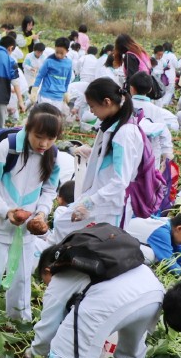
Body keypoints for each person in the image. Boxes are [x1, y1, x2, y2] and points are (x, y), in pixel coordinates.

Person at [0, 104, 63, 321]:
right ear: (28, 128)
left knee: (22, 277)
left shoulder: (52, 155)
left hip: (26, 228)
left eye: (50, 138)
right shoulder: (7, 148)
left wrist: (41, 213)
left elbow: (50, 188)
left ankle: (19, 321)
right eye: (39, 136)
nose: (44, 143)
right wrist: (6, 211)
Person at [31, 241, 165, 358]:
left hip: (115, 300)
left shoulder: (59, 278)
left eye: (44, 281)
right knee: (131, 354)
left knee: (65, 352)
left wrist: (35, 354)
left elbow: (48, 327)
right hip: (153, 293)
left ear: (48, 271)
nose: (46, 286)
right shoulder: (88, 259)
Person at [54, 78, 145, 240]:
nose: (92, 111)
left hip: (113, 205)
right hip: (99, 197)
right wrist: (91, 153)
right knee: (63, 223)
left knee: (106, 246)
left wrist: (89, 204)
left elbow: (120, 181)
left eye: (92, 106)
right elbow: (111, 160)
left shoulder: (125, 134)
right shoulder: (113, 126)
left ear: (107, 102)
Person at [125, 211, 181, 277]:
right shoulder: (161, 232)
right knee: (152, 256)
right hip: (119, 241)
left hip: (126, 238)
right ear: (180, 228)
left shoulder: (170, 225)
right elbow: (169, 263)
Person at [32, 37, 73, 109]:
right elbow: (40, 76)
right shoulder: (49, 61)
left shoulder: (69, 63)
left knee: (54, 118)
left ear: (67, 51)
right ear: (55, 49)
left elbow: (67, 80)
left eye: (61, 53)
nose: (58, 55)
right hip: (46, 95)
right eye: (57, 52)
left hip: (59, 97)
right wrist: (35, 89)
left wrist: (66, 92)